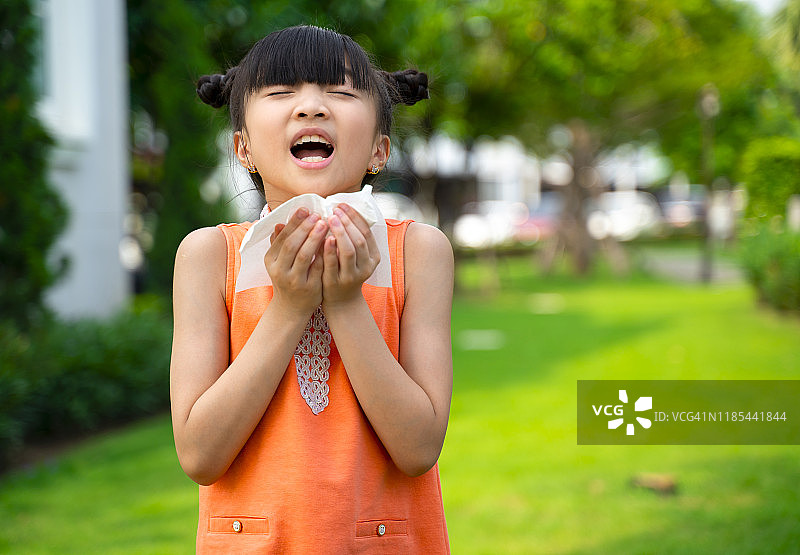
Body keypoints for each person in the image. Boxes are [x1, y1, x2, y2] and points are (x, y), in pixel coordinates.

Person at [170, 25, 453, 553]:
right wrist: (291, 307)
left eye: (341, 93)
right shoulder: (209, 256)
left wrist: (346, 302)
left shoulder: (419, 252)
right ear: (244, 148)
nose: (311, 108)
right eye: (281, 93)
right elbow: (199, 455)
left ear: (378, 148)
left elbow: (418, 447)